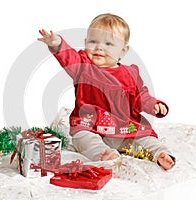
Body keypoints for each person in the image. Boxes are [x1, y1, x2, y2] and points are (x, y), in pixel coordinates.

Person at [38, 13, 175, 170]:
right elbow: (69, 57)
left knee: (143, 138)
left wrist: (154, 105)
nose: (99, 47)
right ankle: (105, 155)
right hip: (90, 125)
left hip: (124, 128)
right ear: (85, 43)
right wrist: (58, 44)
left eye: (108, 44)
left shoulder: (131, 74)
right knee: (84, 138)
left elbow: (141, 96)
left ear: (123, 51)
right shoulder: (83, 66)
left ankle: (160, 154)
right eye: (93, 41)